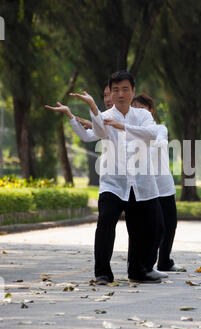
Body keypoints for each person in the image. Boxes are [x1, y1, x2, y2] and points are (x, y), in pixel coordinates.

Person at [45, 70, 162, 285]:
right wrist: (85, 110)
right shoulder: (106, 116)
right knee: (105, 225)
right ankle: (102, 273)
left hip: (141, 183)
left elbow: (152, 134)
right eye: (115, 90)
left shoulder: (143, 116)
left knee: (140, 230)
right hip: (113, 183)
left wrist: (124, 127)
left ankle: (137, 271)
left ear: (133, 91)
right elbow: (93, 134)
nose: (120, 94)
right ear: (111, 92)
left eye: (125, 89)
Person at [131, 94, 183, 272]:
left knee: (170, 225)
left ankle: (165, 261)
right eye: (135, 109)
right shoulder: (131, 132)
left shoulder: (160, 128)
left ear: (151, 110)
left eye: (142, 108)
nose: (139, 112)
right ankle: (148, 264)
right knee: (153, 228)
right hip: (146, 187)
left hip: (164, 186)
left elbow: (160, 144)